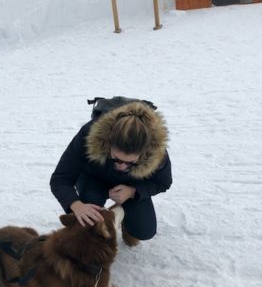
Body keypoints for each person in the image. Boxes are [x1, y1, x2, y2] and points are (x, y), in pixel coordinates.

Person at [50, 101, 171, 246]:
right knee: (88, 218)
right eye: (116, 159)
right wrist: (76, 205)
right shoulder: (88, 135)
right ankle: (97, 220)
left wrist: (133, 192)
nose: (121, 166)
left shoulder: (157, 152)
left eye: (131, 163)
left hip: (131, 185)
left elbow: (163, 182)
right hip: (93, 178)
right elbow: (60, 179)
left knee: (144, 231)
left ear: (144, 153)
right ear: (108, 141)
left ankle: (120, 217)